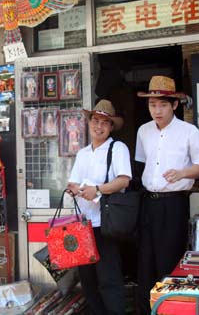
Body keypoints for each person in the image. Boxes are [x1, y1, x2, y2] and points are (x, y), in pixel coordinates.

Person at [135, 75, 199, 314]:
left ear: (174, 105)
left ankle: (171, 310)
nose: (157, 110)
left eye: (163, 105)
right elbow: (143, 164)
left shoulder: (189, 131)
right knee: (145, 262)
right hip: (148, 204)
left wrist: (182, 173)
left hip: (174, 204)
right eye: (152, 105)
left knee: (169, 262)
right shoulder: (143, 131)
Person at [67, 99, 132, 315]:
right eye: (95, 120)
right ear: (89, 122)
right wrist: (74, 189)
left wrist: (98, 189)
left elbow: (124, 180)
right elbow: (73, 181)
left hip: (105, 224)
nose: (99, 126)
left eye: (105, 122)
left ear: (111, 126)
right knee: (88, 280)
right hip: (83, 225)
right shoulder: (83, 153)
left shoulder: (117, 148)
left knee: (109, 279)